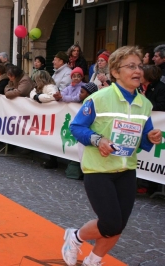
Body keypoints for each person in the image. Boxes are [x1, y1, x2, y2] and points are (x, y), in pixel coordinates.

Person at [62, 46, 162, 266]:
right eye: (131, 66)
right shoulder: (99, 98)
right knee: (110, 223)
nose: (137, 71)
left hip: (126, 171)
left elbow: (142, 141)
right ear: (115, 72)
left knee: (119, 225)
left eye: (139, 66)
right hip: (99, 170)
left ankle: (93, 261)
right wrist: (99, 140)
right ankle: (75, 236)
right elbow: (77, 128)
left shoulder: (144, 104)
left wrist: (151, 137)